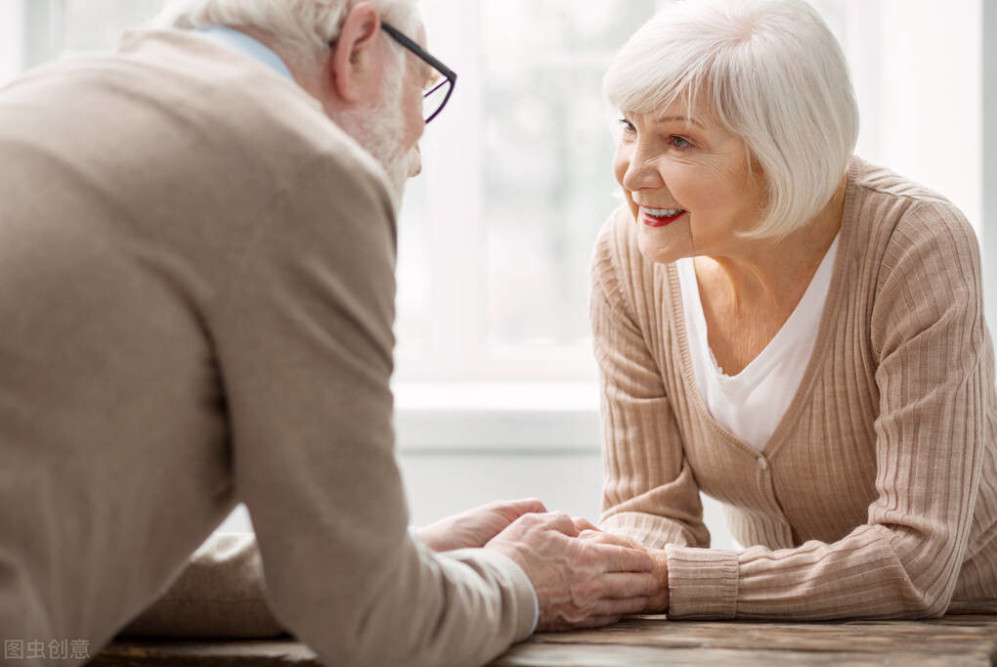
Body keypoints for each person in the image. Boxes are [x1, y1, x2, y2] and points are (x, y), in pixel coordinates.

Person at [0, 1, 660, 665]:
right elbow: (378, 626)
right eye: (422, 87)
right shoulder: (306, 167)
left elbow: (96, 573)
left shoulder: (43, 96)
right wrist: (529, 581)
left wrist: (408, 555)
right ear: (358, 45)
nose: (418, 152)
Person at [583, 0, 997, 620]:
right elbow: (649, 512)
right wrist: (624, 575)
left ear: (779, 153)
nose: (633, 172)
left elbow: (916, 562)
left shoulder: (914, 245)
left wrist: (674, 583)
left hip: (972, 622)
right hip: (782, 632)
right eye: (627, 127)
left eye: (678, 139)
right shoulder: (627, 256)